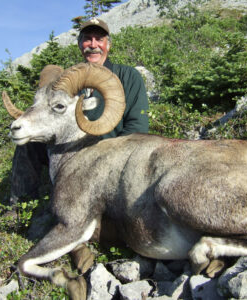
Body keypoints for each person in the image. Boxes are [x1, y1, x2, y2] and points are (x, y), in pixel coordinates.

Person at [8, 18, 149, 273]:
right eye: (87, 39)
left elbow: (137, 128)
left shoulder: (128, 76)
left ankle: (73, 232)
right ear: (79, 44)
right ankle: (18, 205)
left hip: (109, 155)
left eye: (99, 39)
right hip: (71, 153)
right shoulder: (68, 80)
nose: (92, 45)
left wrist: (108, 153)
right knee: (26, 140)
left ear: (108, 44)